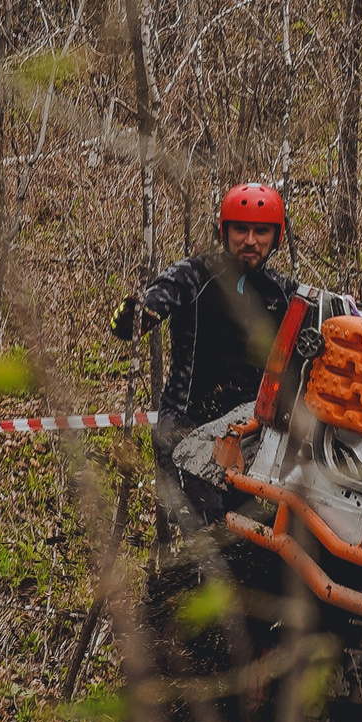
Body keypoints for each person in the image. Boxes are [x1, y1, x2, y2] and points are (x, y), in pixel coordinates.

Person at [112, 182, 295, 524]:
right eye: (240, 229)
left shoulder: (283, 293)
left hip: (248, 434)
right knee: (207, 532)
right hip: (186, 426)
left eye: (261, 231)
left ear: (277, 236)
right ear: (224, 232)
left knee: (249, 535)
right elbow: (156, 299)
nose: (250, 241)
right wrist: (138, 315)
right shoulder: (193, 275)